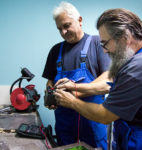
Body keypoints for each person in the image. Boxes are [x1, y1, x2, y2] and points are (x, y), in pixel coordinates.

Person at [54, 8, 142, 150]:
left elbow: (105, 115)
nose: (105, 50)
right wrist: (74, 87)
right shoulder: (130, 62)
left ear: (125, 37)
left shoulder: (137, 67)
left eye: (105, 43)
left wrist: (72, 101)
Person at [42, 2, 111, 149]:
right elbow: (49, 81)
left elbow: (108, 80)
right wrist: (49, 95)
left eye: (66, 26)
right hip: (64, 125)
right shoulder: (55, 50)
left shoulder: (98, 44)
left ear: (79, 20)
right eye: (59, 29)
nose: (63, 32)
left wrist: (75, 89)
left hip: (93, 121)